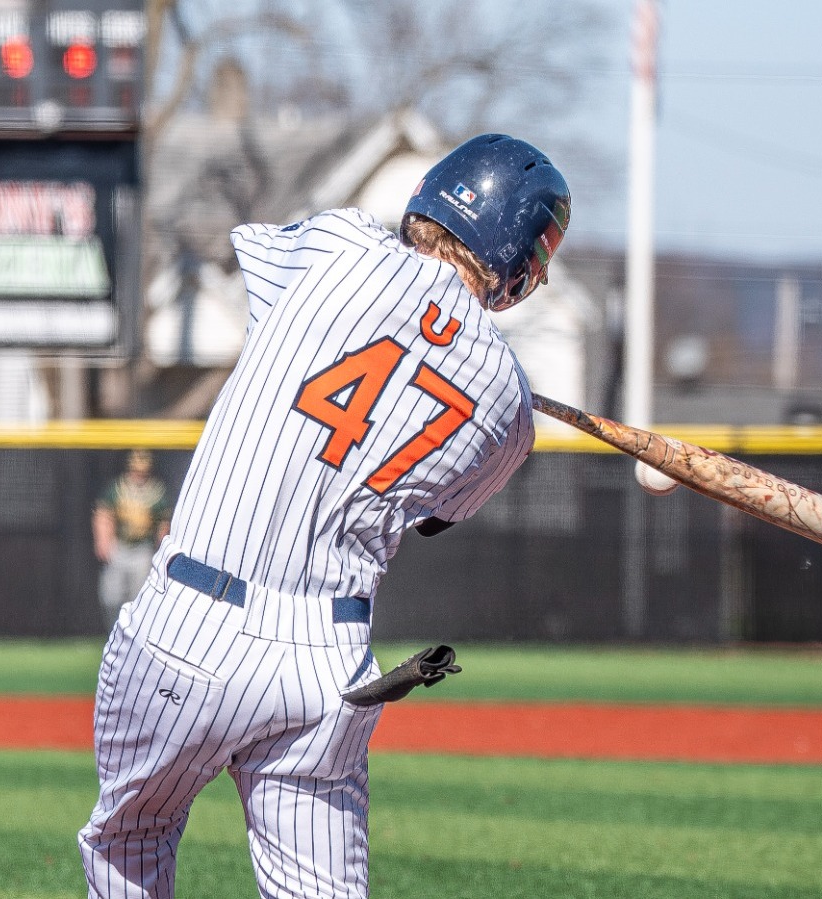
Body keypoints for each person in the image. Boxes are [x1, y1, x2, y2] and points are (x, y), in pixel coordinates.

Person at [77, 133, 571, 899]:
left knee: (130, 842)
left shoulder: (339, 242)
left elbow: (269, 295)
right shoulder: (510, 408)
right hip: (327, 663)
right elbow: (435, 516)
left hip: (192, 622)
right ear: (519, 269)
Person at [92, 449, 171, 628]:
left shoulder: (156, 491)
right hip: (120, 546)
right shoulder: (118, 488)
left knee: (138, 596)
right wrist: (103, 540)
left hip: (142, 549)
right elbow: (104, 513)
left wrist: (161, 547)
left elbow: (163, 522)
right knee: (111, 596)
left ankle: (135, 632)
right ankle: (114, 630)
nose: (138, 475)